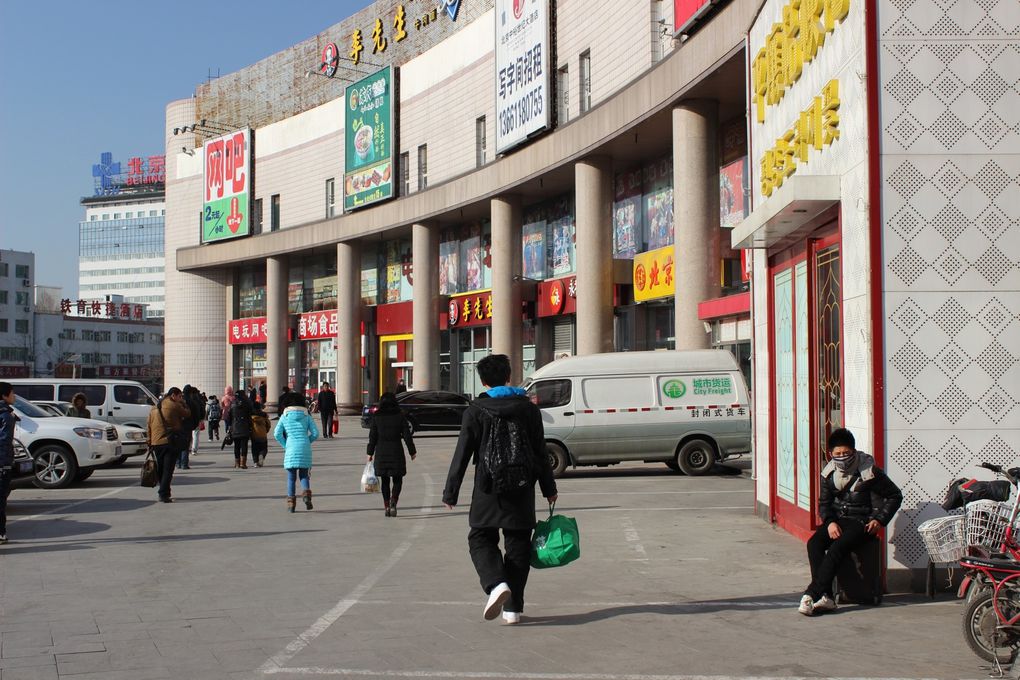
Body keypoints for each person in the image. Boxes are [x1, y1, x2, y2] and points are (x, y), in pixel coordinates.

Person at [443, 354, 558, 625]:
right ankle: (513, 610)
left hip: (487, 487)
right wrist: (548, 487)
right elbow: (540, 452)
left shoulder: (475, 410)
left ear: (483, 381)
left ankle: (496, 584)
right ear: (508, 376)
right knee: (518, 546)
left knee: (480, 538)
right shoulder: (528, 409)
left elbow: (462, 452)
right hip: (522, 486)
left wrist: (451, 491)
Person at [799, 427, 903, 616]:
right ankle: (827, 596)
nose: (842, 457)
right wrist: (830, 522)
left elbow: (895, 495)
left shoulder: (869, 471)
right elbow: (824, 503)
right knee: (814, 544)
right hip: (838, 520)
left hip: (861, 521)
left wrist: (879, 520)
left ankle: (812, 593)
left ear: (854, 451)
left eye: (846, 453)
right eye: (837, 454)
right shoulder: (828, 473)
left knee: (838, 548)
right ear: (830, 454)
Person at [367, 392, 416, 517]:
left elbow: (372, 436)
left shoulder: (377, 416)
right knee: (398, 479)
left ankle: (387, 505)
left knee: (385, 480)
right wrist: (412, 451)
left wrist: (369, 453)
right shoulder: (399, 415)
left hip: (381, 452)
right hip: (396, 451)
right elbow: (407, 435)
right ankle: (394, 500)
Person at [274, 392, 319, 513]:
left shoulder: (284, 416)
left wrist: (286, 445)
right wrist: (307, 441)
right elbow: (316, 433)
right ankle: (306, 495)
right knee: (304, 475)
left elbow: (276, 434)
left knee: (291, 477)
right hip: (305, 447)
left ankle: (291, 505)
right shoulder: (307, 416)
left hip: (291, 448)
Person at [146, 387, 190, 503]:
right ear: (173, 395)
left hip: (156, 442)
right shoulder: (174, 406)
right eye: (179, 396)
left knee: (160, 468)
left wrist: (149, 441)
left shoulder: (154, 408)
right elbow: (187, 414)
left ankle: (163, 490)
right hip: (169, 441)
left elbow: (148, 426)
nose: (180, 398)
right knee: (168, 469)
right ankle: (164, 493)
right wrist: (183, 403)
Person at [0, 382, 17, 543]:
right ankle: (1, 532)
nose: (15, 396)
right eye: (12, 393)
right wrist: (5, 465)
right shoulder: (6, 415)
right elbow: (4, 441)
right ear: (4, 396)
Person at [179, 385, 205, 469]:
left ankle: (178, 463)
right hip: (188, 425)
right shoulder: (192, 401)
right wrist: (194, 424)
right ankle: (184, 463)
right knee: (186, 445)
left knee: (177, 444)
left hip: (177, 425)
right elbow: (197, 413)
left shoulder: (179, 400)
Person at [230, 391, 253, 469]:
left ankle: (237, 463)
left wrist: (230, 426)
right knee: (244, 446)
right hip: (245, 427)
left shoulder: (233, 405)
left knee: (236, 446)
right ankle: (243, 463)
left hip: (235, 427)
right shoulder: (247, 404)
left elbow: (229, 417)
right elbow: (250, 416)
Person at [250, 401, 271, 467]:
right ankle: (262, 455)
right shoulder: (264, 415)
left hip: (254, 435)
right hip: (263, 435)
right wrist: (266, 430)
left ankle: (255, 462)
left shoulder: (250, 416)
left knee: (254, 449)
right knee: (264, 448)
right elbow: (268, 424)